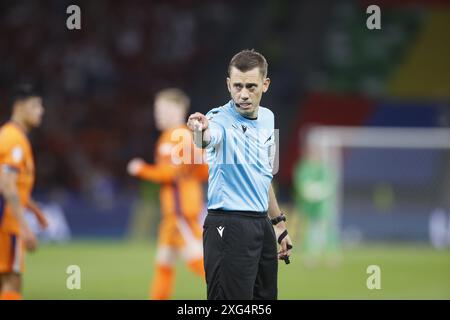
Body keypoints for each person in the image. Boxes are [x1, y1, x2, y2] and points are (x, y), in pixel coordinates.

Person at [187, 49, 293, 300]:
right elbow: (206, 139)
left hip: (261, 226)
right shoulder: (218, 119)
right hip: (228, 225)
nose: (243, 94)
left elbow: (264, 175)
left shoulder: (268, 118)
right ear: (228, 85)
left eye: (251, 86)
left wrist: (279, 224)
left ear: (265, 84)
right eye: (237, 86)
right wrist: (199, 131)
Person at [127, 88, 208, 300]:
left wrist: (140, 169)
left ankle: (240, 296)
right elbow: (203, 169)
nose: (158, 114)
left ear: (178, 110)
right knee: (164, 263)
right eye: (157, 110)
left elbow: (169, 174)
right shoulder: (177, 135)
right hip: (174, 211)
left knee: (199, 262)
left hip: (181, 211)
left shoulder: (176, 136)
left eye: (162, 110)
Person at [0, 83, 46, 300]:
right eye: (36, 106)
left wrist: (33, 208)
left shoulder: (7, 135)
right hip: (7, 223)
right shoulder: (15, 140)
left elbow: (15, 185)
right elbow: (6, 184)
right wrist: (25, 226)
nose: (41, 111)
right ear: (19, 107)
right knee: (12, 280)